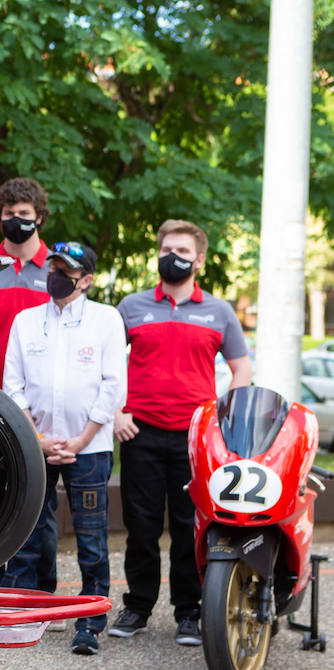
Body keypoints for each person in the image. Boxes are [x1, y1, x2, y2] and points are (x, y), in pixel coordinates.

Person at [111, 220, 251, 645]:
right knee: (142, 526)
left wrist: (222, 416)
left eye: (183, 251)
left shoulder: (219, 311)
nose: (173, 256)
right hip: (141, 434)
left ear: (199, 261)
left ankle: (189, 613)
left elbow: (242, 367)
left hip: (196, 438)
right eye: (167, 248)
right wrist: (117, 410)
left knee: (191, 526)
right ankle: (137, 607)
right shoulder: (131, 306)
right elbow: (108, 364)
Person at [1, 242, 126, 655]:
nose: (55, 275)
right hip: (35, 444)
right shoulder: (26, 321)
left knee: (91, 537)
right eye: (52, 267)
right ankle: (28, 609)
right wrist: (37, 438)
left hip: (88, 448)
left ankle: (90, 620)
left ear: (86, 279)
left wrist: (82, 438)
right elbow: (13, 386)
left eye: (65, 270)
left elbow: (112, 386)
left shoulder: (107, 320)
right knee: (29, 530)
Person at [0, 177, 54, 585]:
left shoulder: (60, 272)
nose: (16, 221)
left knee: (39, 500)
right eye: (9, 215)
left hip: (41, 409)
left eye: (24, 214)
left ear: (39, 217)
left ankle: (39, 590)